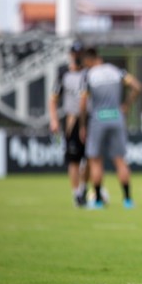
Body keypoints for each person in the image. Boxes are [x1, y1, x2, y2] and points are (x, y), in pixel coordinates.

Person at [79, 47, 142, 209]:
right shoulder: (116, 71)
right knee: (120, 160)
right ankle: (128, 200)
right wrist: (126, 105)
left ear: (88, 60)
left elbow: (83, 103)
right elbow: (137, 86)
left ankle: (98, 201)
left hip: (98, 119)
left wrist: (82, 125)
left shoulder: (89, 75)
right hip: (116, 117)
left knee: (95, 161)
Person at [49, 41, 89, 207]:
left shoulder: (89, 72)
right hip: (72, 120)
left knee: (90, 158)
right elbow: (53, 99)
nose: (77, 57)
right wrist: (54, 120)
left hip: (89, 120)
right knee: (73, 160)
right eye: (75, 54)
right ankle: (76, 194)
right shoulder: (63, 73)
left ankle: (84, 188)